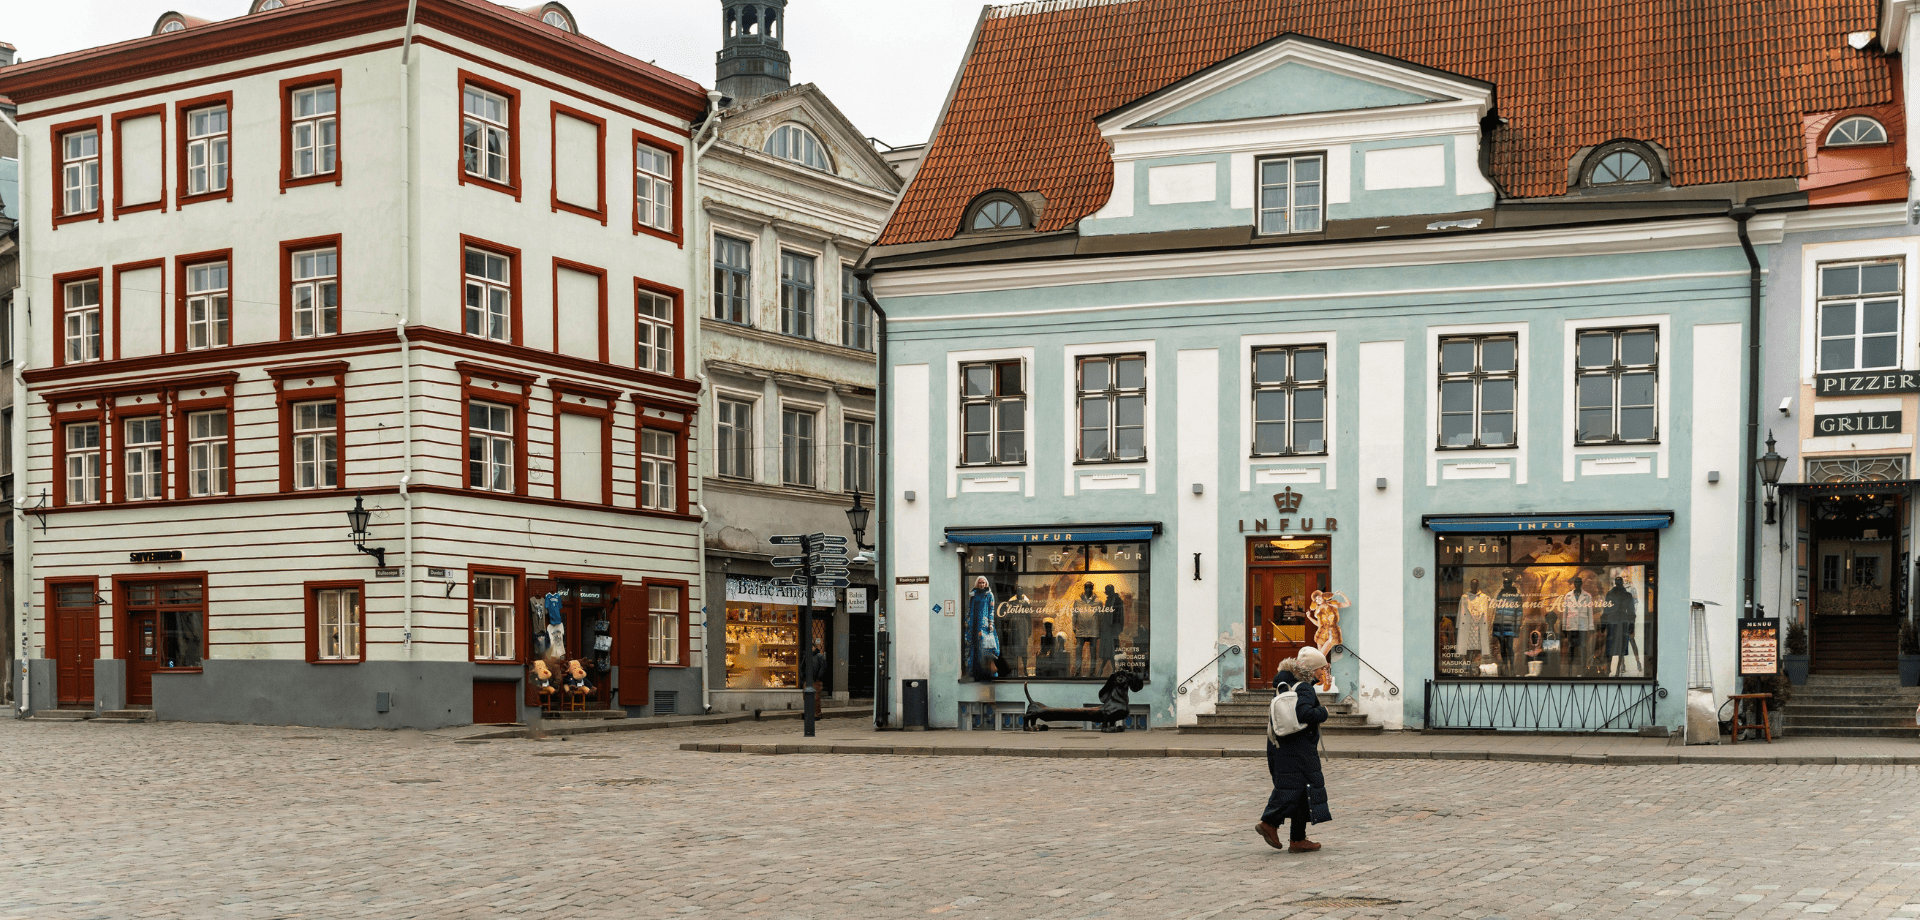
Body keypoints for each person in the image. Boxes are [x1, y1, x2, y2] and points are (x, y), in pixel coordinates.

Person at [1254, 647, 1332, 854]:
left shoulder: (1285, 683)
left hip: (1281, 744)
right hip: (1298, 746)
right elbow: (1305, 713)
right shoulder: (1304, 687)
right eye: (1321, 668)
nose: (1322, 672)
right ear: (1313, 669)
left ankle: (1297, 839)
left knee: (1300, 790)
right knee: (1293, 788)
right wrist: (1323, 712)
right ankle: (1269, 822)